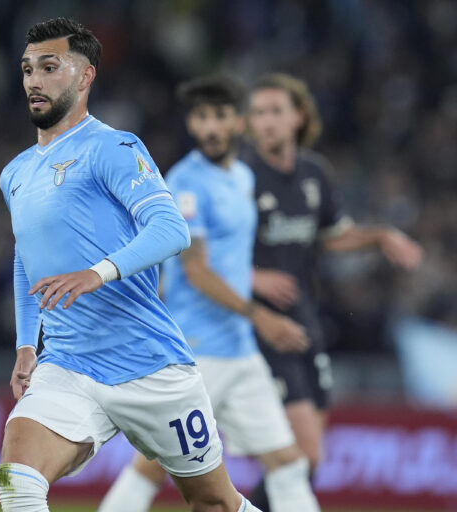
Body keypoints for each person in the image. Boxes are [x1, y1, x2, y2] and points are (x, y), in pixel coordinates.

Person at [0, 18, 258, 512]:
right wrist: (27, 344)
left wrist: (97, 272)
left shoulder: (113, 148)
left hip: (150, 366)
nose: (34, 80)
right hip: (69, 365)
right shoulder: (15, 173)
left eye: (50, 67)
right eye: (28, 68)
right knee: (19, 477)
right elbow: (24, 259)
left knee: (214, 504)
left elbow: (171, 229)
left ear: (85, 76)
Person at [99, 75, 321, 512]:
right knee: (154, 465)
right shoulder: (185, 183)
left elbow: (229, 260)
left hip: (239, 350)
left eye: (220, 117)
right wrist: (261, 315)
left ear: (240, 123)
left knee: (288, 463)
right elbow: (196, 270)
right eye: (202, 118)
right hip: (197, 351)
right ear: (191, 124)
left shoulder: (242, 176)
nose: (211, 128)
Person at [241, 73, 423, 510]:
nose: (266, 122)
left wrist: (381, 236)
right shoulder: (240, 177)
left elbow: (333, 234)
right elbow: (205, 251)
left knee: (306, 458)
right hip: (258, 324)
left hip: (305, 319)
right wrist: (252, 278)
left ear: (298, 117)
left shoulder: (313, 174)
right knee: (307, 453)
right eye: (259, 113)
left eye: (276, 111)